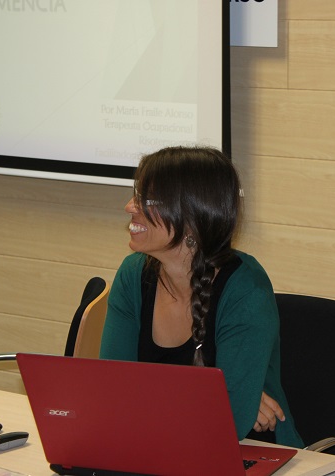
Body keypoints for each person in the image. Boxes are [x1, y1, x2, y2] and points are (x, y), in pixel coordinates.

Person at [99, 146, 303, 448]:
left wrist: (155, 394)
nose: (130, 206)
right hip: (157, 442)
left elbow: (228, 421)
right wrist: (207, 397)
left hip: (253, 448)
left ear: (194, 218)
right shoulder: (133, 274)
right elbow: (112, 389)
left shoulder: (246, 290)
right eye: (135, 195)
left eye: (148, 200)